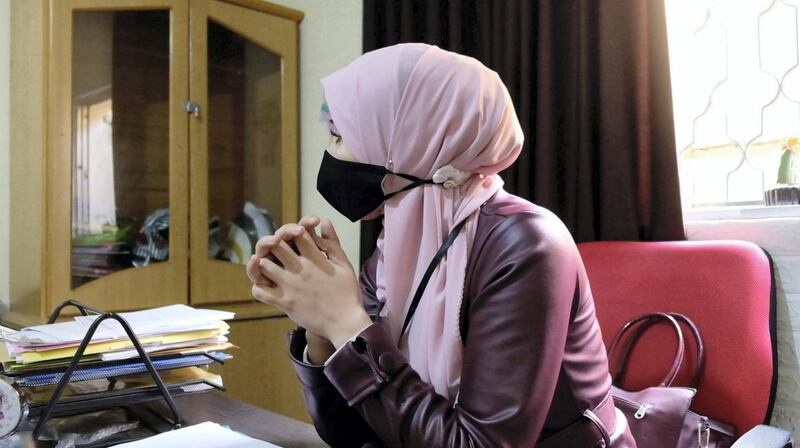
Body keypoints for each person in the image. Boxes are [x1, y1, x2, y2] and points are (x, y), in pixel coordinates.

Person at [246, 43, 635, 447]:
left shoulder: (527, 244)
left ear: (410, 138)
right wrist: (320, 325)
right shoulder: (396, 247)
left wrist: (347, 322)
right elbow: (349, 432)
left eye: (340, 136)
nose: (331, 154)